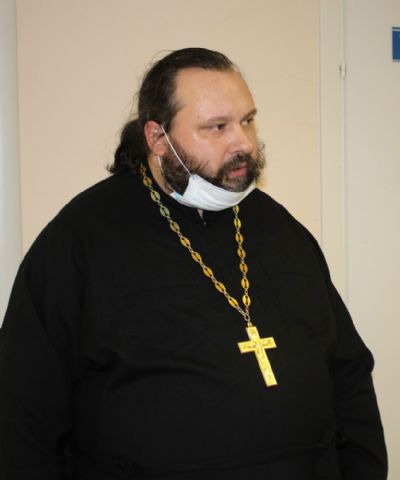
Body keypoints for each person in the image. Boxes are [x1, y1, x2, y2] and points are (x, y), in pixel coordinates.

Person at [0, 48, 387, 480]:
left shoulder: (281, 229)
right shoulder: (80, 239)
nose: (243, 143)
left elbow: (349, 372)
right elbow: (23, 414)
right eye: (217, 127)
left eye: (247, 121)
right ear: (157, 138)